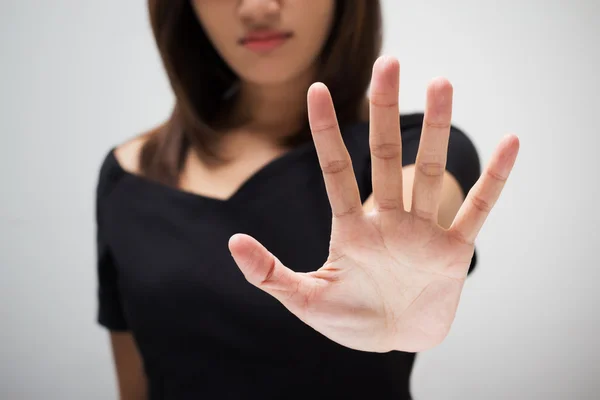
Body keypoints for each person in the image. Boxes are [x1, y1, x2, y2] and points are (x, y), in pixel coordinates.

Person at [95, 0, 520, 399]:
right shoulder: (127, 178)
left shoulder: (418, 154)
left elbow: (413, 206)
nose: (258, 8)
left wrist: (390, 274)